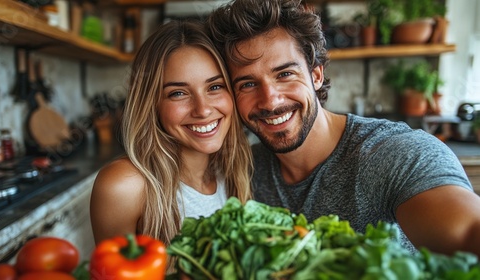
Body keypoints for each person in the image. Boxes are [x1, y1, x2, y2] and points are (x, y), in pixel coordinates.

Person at [207, 0, 480, 256]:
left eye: (285, 74)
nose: (270, 100)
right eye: (248, 84)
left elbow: (468, 232)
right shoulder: (243, 171)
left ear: (316, 74)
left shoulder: (395, 154)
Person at [90, 20, 252, 246]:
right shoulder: (125, 185)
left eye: (215, 87)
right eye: (178, 93)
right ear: (151, 103)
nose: (203, 109)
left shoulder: (236, 171)